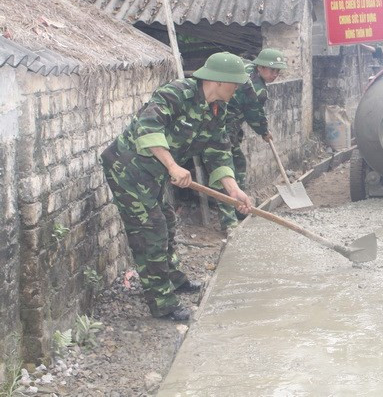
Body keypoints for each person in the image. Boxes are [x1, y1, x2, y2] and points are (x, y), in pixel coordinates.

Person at [101, 52, 254, 321]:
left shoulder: (217, 109)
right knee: (152, 231)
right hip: (129, 169)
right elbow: (147, 127)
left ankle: (173, 278)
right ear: (219, 81)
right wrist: (173, 166)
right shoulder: (176, 93)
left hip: (157, 173)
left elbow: (218, 151)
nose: (238, 88)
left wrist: (233, 190)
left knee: (168, 222)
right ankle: (162, 303)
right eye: (236, 83)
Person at [214, 48, 287, 230]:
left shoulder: (245, 66)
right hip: (222, 127)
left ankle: (238, 207)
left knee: (234, 164)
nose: (275, 75)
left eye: (278, 71)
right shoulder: (258, 89)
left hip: (218, 120)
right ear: (260, 67)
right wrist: (263, 131)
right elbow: (254, 113)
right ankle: (229, 218)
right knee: (229, 168)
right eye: (271, 70)